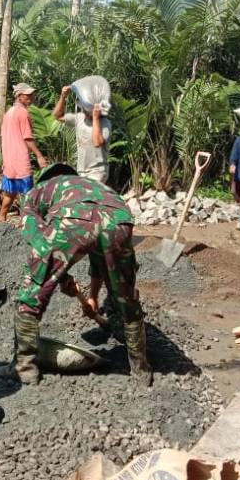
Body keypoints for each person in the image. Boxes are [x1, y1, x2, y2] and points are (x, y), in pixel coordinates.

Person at [12, 163, 150, 388]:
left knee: (31, 294)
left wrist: (52, 274)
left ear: (46, 178)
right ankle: (141, 369)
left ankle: (24, 369)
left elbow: (33, 231)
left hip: (73, 217)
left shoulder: (40, 189)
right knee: (126, 297)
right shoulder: (95, 186)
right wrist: (89, 294)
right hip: (120, 218)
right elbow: (99, 253)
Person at [0, 82, 48, 222]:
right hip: (20, 158)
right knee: (28, 193)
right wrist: (39, 156)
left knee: (11, 191)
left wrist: (4, 159)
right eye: (28, 95)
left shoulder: (9, 113)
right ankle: (25, 224)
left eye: (32, 94)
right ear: (19, 96)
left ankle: (1, 217)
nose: (31, 97)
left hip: (9, 159)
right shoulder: (23, 113)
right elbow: (27, 138)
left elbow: (4, 137)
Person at [53, 83, 111, 183]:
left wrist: (96, 118)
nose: (83, 110)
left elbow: (97, 143)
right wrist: (63, 97)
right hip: (81, 171)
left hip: (97, 172)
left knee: (90, 197)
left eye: (86, 108)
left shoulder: (105, 123)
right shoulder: (79, 118)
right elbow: (57, 116)